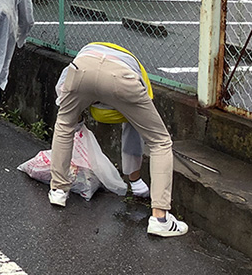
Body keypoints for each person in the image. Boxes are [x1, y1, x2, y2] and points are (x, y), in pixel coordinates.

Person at [48, 42, 189, 238]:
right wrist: (134, 177)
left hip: (82, 68)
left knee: (64, 125)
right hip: (122, 78)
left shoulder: (81, 57)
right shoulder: (141, 79)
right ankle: (160, 219)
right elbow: (137, 128)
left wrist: (77, 118)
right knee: (160, 141)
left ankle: (58, 191)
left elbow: (62, 93)